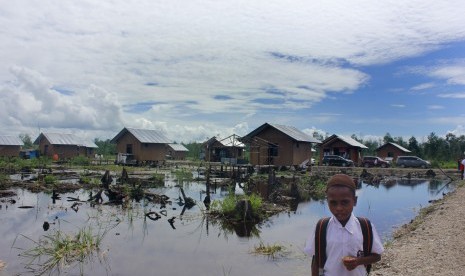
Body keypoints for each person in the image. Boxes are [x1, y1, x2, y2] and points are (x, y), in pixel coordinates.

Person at [304, 174, 384, 276]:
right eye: (333, 203)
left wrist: (358, 261)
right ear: (327, 201)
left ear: (354, 201)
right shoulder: (321, 227)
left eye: (344, 202)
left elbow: (377, 256)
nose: (339, 208)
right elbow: (316, 260)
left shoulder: (365, 226)